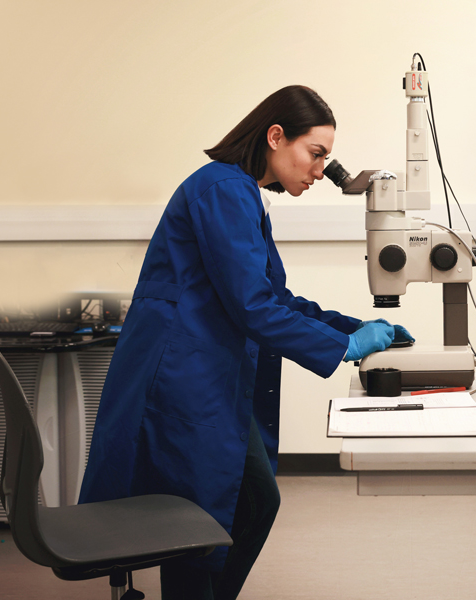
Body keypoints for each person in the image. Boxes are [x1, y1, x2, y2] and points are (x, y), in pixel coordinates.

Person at [78, 85, 413, 599]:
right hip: (182, 382)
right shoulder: (223, 189)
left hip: (205, 376)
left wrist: (353, 327)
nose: (321, 170)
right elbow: (253, 308)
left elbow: (274, 297)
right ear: (276, 137)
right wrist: (344, 349)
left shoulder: (240, 195)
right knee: (197, 520)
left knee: (236, 507)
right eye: (316, 153)